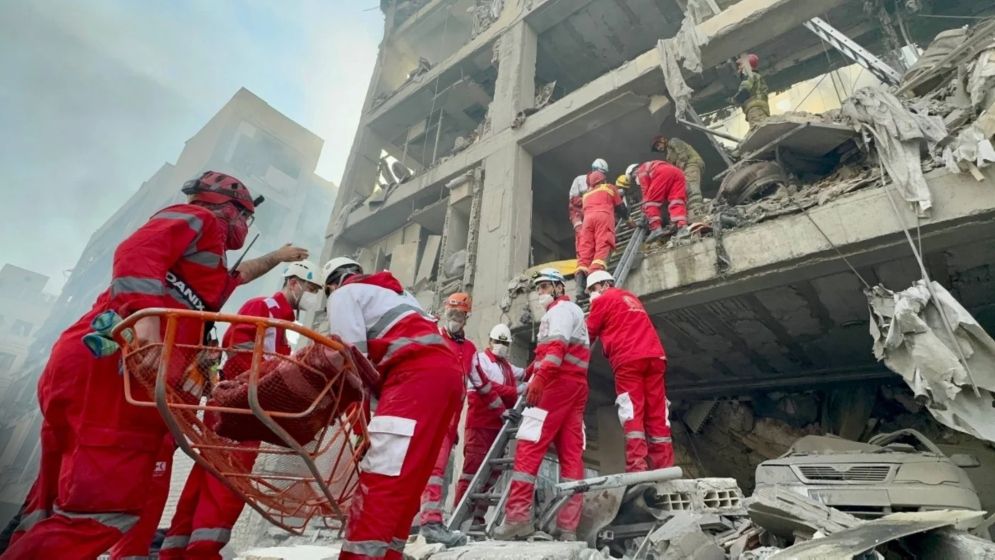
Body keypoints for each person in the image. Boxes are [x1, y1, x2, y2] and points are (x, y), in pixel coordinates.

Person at [1, 171, 309, 560]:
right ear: (230, 209)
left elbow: (236, 276)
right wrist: (146, 325)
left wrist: (278, 257)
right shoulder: (199, 220)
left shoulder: (202, 269)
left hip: (98, 364)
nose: (245, 228)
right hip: (120, 368)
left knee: (56, 501)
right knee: (102, 511)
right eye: (245, 218)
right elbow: (135, 252)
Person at [159, 260, 324, 560]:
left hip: (242, 404)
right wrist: (252, 391)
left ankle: (175, 548)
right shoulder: (264, 309)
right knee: (230, 477)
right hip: (240, 406)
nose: (313, 295)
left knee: (209, 472)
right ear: (294, 282)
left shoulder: (283, 327)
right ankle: (203, 550)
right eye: (311, 287)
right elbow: (239, 351)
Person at [322, 258, 464, 560]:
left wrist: (362, 430)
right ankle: (388, 554)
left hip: (414, 375)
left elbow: (352, 364)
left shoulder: (343, 295)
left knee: (383, 475)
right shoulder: (395, 293)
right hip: (445, 375)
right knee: (408, 477)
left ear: (331, 284)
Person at [493, 269, 589, 542]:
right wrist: (534, 369)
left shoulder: (558, 312)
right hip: (576, 387)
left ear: (559, 288)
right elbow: (560, 351)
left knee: (529, 445)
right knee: (571, 454)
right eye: (539, 288)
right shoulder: (574, 312)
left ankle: (517, 519)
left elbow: (556, 349)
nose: (541, 292)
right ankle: (568, 526)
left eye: (545, 286)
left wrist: (540, 379)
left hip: (555, 385)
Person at [585, 271, 673, 472]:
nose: (592, 294)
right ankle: (664, 466)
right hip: (655, 357)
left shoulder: (602, 300)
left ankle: (637, 466)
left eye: (592, 289)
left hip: (628, 359)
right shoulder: (630, 297)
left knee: (632, 411)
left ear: (604, 284)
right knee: (657, 412)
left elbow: (587, 334)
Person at [418, 292, 477, 546]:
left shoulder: (470, 348)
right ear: (445, 311)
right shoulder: (432, 336)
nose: (456, 317)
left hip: (449, 422)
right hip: (428, 414)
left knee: (436, 470)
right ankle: (430, 522)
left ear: (467, 316)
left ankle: (422, 521)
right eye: (452, 312)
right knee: (430, 470)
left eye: (460, 313)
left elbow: (480, 381)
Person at [452, 324, 525, 527]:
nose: (501, 346)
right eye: (498, 342)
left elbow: (527, 372)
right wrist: (516, 391)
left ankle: (477, 518)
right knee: (472, 472)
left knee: (491, 476)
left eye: (505, 343)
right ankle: (459, 517)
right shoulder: (481, 360)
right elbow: (489, 386)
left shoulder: (507, 367)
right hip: (480, 425)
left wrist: (545, 356)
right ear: (490, 341)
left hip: (499, 428)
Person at [575, 170, 628, 300]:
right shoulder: (609, 188)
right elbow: (621, 209)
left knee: (585, 253)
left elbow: (583, 211)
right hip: (602, 217)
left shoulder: (586, 195)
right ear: (603, 179)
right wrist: (629, 220)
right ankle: (594, 282)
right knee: (602, 248)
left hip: (587, 222)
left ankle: (579, 289)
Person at [568, 158, 609, 292]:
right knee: (582, 238)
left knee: (594, 239)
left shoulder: (600, 184)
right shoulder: (579, 180)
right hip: (578, 214)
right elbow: (573, 199)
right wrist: (590, 197)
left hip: (590, 214)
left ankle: (586, 266)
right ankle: (583, 270)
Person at [627, 161, 688, 244]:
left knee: (649, 202)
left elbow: (646, 193)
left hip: (662, 173)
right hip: (677, 172)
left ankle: (656, 229)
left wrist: (644, 212)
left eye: (633, 178)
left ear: (633, 172)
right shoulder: (650, 166)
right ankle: (682, 227)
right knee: (676, 201)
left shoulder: (640, 171)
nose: (635, 180)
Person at [650, 135, 705, 220]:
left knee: (691, 185)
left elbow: (683, 156)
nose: (658, 148)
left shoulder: (673, 141)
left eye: (658, 145)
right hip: (686, 168)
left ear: (663, 140)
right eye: (656, 148)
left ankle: (697, 209)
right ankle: (693, 210)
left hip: (691, 163)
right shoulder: (668, 155)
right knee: (685, 188)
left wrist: (679, 173)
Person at [732, 53, 769, 130]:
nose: (740, 68)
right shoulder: (757, 76)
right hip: (762, 108)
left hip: (754, 108)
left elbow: (745, 91)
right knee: (764, 126)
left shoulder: (749, 76)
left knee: (758, 129)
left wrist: (734, 100)